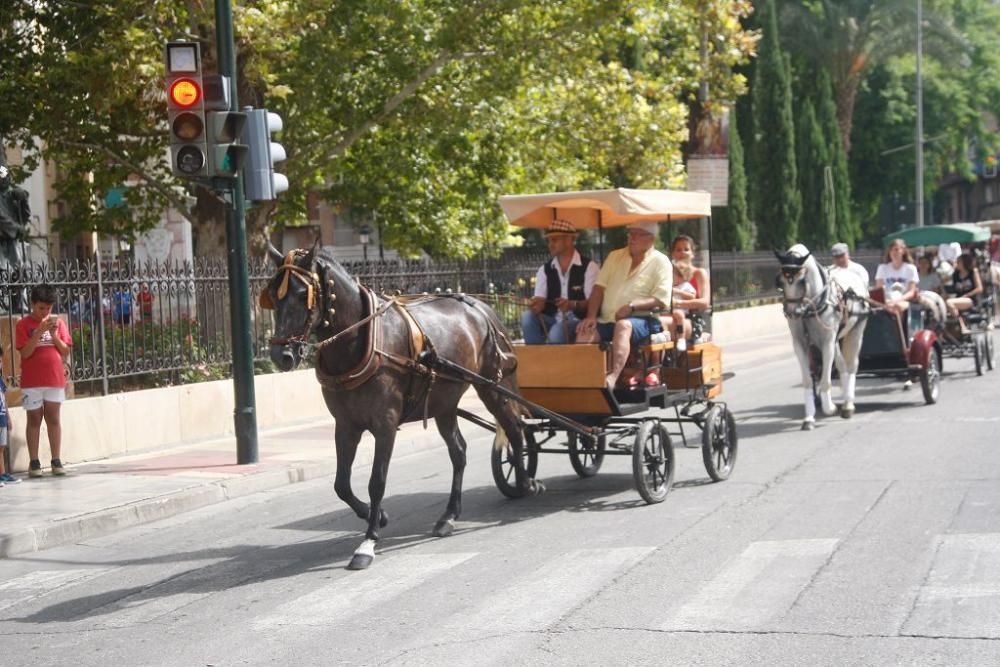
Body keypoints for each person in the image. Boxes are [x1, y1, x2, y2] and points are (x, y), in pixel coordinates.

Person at [576, 221, 672, 389]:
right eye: (630, 233)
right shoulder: (615, 256)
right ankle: (582, 380)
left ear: (651, 239)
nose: (631, 238)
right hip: (607, 319)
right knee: (585, 332)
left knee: (623, 326)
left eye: (637, 234)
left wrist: (632, 305)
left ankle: (612, 378)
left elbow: (661, 299)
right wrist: (591, 316)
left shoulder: (661, 262)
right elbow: (598, 288)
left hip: (644, 321)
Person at [15, 284, 73, 477]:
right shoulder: (23, 325)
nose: (44, 312)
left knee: (54, 418)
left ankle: (56, 459)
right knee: (34, 419)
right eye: (41, 308)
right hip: (32, 381)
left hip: (54, 379)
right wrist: (38, 332)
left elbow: (65, 350)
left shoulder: (58, 324)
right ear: (32, 304)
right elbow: (25, 352)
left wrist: (54, 336)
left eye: (48, 308)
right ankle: (34, 462)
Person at [520, 220, 598, 344]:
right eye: (549, 241)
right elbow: (540, 301)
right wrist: (536, 305)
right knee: (527, 317)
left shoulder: (589, 267)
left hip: (579, 321)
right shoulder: (544, 270)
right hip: (553, 320)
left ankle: (550, 361)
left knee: (557, 332)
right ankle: (535, 359)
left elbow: (593, 302)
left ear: (569, 240)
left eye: (554, 240)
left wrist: (572, 304)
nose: (550, 244)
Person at [669, 234, 711, 343]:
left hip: (693, 317)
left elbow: (705, 302)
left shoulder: (699, 273)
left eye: (686, 249)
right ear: (673, 254)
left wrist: (677, 303)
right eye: (678, 250)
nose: (682, 253)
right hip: (671, 315)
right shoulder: (668, 274)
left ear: (692, 253)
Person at [875, 238, 919, 316]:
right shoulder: (882, 268)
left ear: (903, 251)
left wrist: (897, 301)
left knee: (897, 306)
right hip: (887, 301)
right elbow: (879, 289)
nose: (893, 252)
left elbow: (911, 292)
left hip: (904, 301)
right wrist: (887, 301)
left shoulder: (911, 268)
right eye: (891, 250)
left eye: (896, 249)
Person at [945, 253, 983, 330]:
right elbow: (946, 281)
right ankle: (959, 326)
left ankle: (961, 325)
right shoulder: (955, 274)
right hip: (958, 298)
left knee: (949, 302)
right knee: (946, 303)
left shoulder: (973, 272)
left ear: (964, 263)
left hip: (970, 299)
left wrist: (968, 295)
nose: (956, 264)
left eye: (958, 262)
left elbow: (979, 288)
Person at [0, 376, 21, 485]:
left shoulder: (0, 381)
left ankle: (2, 474)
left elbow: (4, 399)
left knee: (1, 447)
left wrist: (8, 417)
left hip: (2, 417)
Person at [916, 254, 948, 325]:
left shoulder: (934, 277)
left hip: (931, 299)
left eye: (925, 263)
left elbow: (939, 290)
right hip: (917, 300)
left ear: (929, 265)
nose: (923, 265)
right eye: (921, 263)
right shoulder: (914, 276)